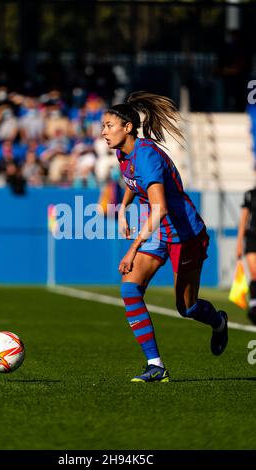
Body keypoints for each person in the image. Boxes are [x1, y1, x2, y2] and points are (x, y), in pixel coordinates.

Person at [101, 91, 228, 383]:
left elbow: (160, 208)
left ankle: (219, 322)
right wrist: (123, 208)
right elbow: (134, 181)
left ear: (128, 127)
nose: (103, 132)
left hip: (186, 236)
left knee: (187, 307)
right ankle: (155, 366)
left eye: (109, 125)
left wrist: (132, 249)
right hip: (160, 232)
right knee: (130, 289)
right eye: (102, 126)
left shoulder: (146, 156)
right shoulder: (124, 153)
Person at [236, 188, 256, 324]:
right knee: (255, 274)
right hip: (252, 239)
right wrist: (239, 242)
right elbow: (244, 219)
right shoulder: (250, 194)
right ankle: (254, 305)